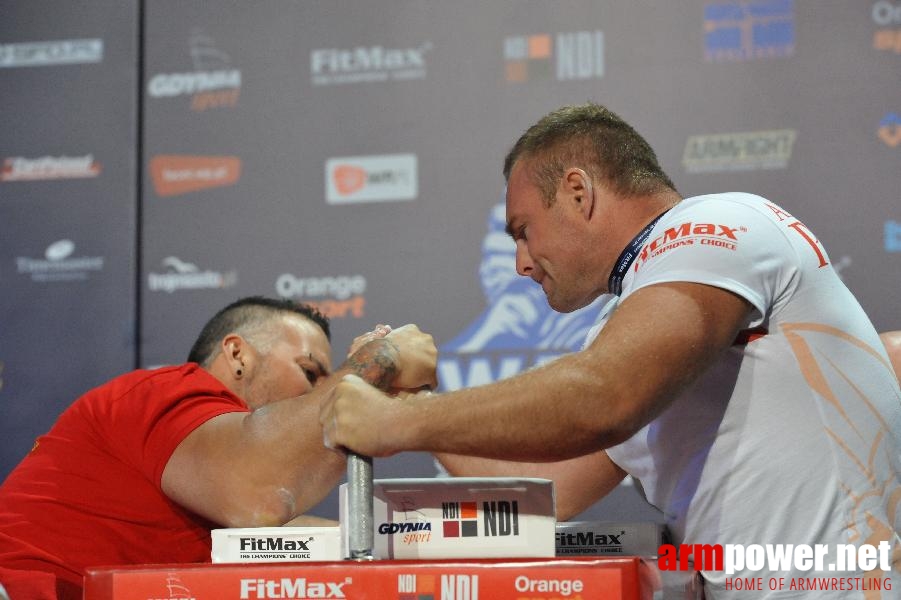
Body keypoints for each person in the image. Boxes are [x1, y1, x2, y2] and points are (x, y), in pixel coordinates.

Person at [321, 103, 901, 599]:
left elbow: (604, 396)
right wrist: (418, 399)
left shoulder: (715, 225)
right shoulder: (621, 332)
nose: (522, 262)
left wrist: (397, 422)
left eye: (524, 230)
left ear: (578, 191)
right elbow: (548, 488)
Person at [0, 296, 437, 600]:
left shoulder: (204, 481)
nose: (323, 393)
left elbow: (321, 537)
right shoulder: (163, 390)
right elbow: (261, 494)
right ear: (237, 354)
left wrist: (418, 407)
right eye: (310, 373)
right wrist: (376, 363)